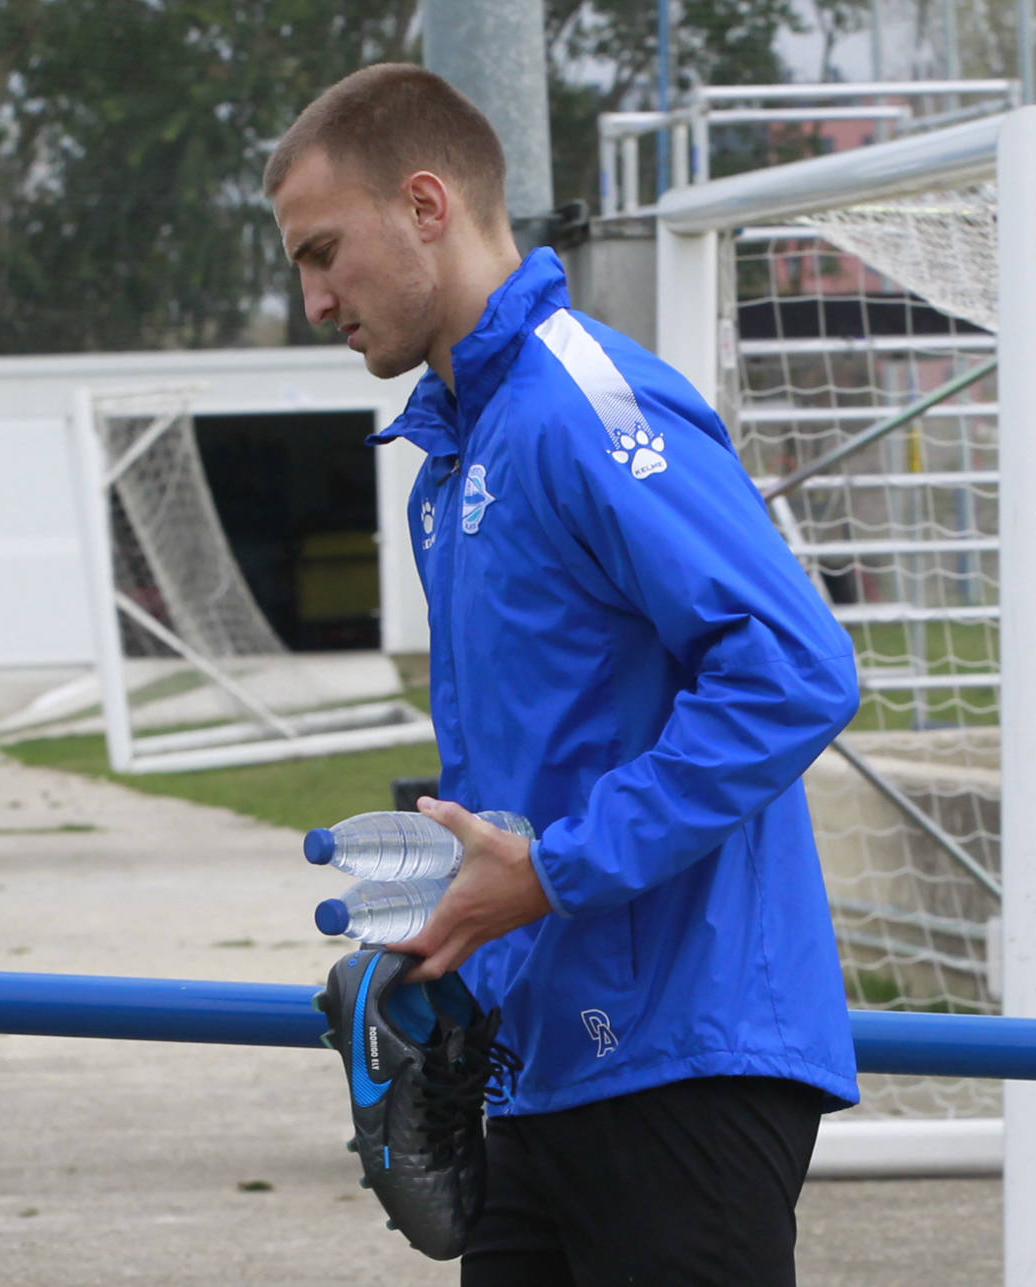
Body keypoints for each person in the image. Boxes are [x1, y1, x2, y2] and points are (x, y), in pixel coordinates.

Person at [265, 62, 860, 1287]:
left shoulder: (583, 401)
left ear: (426, 204)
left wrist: (551, 872)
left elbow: (795, 671)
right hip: (543, 1062)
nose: (315, 299)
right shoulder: (454, 458)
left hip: (687, 1062)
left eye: (325, 253)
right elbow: (564, 751)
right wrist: (454, 917)